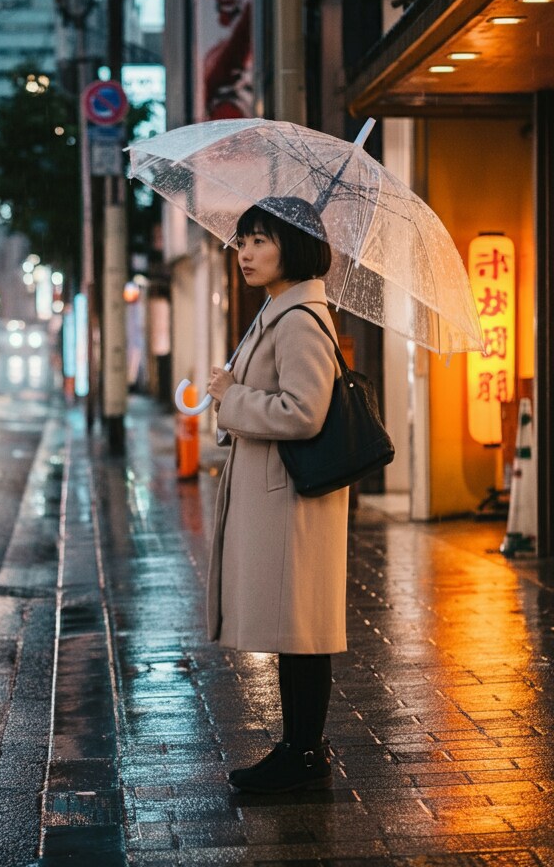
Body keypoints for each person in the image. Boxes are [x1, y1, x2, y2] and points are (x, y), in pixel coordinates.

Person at [205, 197, 347, 794]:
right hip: (281, 493)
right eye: (243, 241)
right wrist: (228, 397)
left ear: (294, 246)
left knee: (302, 629)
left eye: (261, 240)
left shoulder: (297, 319)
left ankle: (304, 753)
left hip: (291, 498)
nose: (246, 253)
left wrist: (233, 398)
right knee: (297, 630)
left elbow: (304, 412)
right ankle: (300, 749)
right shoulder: (277, 311)